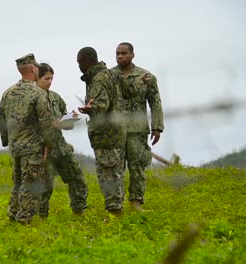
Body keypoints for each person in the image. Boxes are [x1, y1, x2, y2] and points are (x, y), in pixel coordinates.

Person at [0, 53, 55, 224]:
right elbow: (45, 123)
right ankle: (24, 220)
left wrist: (6, 141)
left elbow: (1, 120)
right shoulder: (38, 93)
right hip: (33, 148)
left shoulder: (7, 93)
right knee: (31, 184)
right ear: (33, 69)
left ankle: (13, 215)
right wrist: (49, 144)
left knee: (18, 182)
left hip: (15, 147)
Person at [110, 42, 164, 211]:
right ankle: (116, 204)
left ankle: (136, 202)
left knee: (137, 166)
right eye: (117, 53)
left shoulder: (146, 76)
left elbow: (155, 102)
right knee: (115, 167)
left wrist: (157, 127)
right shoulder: (109, 76)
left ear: (132, 54)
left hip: (138, 129)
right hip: (115, 129)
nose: (120, 56)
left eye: (123, 53)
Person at [76, 47, 131, 216]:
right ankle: (118, 209)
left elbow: (101, 106)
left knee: (108, 175)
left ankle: (115, 213)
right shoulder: (111, 74)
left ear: (86, 61)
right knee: (116, 173)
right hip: (117, 132)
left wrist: (89, 109)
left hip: (106, 135)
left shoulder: (99, 79)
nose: (78, 67)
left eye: (79, 63)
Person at [35, 63, 88, 217]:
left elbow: (66, 125)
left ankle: (79, 212)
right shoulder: (31, 98)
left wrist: (69, 119)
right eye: (46, 78)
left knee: (77, 177)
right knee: (45, 186)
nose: (50, 82)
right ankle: (41, 218)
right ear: (37, 78)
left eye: (52, 78)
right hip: (42, 148)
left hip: (60, 146)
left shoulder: (55, 97)